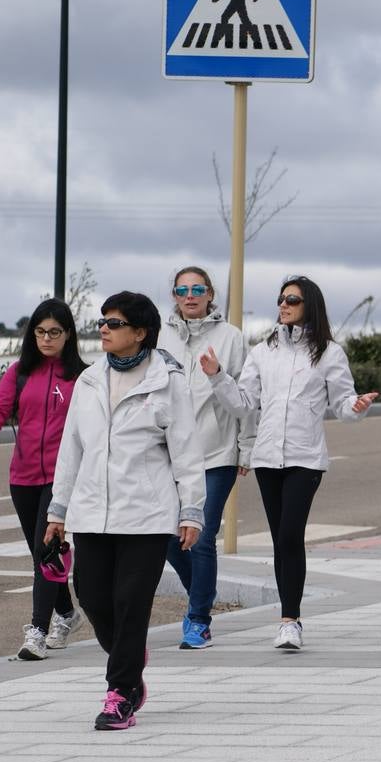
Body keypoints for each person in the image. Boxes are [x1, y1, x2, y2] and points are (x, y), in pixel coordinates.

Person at [46, 292, 206, 730]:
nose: (104, 329)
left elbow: (187, 452)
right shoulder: (89, 380)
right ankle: (130, 655)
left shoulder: (168, 381)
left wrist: (191, 511)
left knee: (131, 602)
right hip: (92, 513)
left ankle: (120, 694)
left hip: (147, 516)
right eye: (102, 321)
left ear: (140, 333)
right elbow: (72, 449)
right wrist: (57, 510)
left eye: (114, 324)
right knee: (94, 598)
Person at [202, 276, 378, 651]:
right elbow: (244, 402)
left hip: (305, 457)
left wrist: (357, 407)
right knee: (280, 541)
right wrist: (218, 376)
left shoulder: (329, 352)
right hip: (267, 458)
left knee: (289, 536)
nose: (283, 305)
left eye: (292, 300)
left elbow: (343, 404)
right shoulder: (263, 351)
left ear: (309, 305)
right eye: (281, 299)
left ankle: (290, 620)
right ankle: (288, 617)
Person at [0, 300, 88, 662]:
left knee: (45, 552)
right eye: (40, 331)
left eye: (54, 332)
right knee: (42, 554)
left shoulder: (82, 377)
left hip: (60, 478)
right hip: (22, 476)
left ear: (68, 334)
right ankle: (68, 614)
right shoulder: (20, 372)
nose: (46, 338)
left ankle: (38, 631)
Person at [158, 266, 254, 650]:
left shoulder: (231, 339)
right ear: (175, 296)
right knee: (165, 535)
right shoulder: (159, 337)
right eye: (182, 290)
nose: (190, 295)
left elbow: (247, 403)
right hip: (169, 456)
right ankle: (203, 591)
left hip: (216, 455)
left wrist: (246, 447)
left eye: (198, 289)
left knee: (201, 538)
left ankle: (198, 619)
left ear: (210, 294)